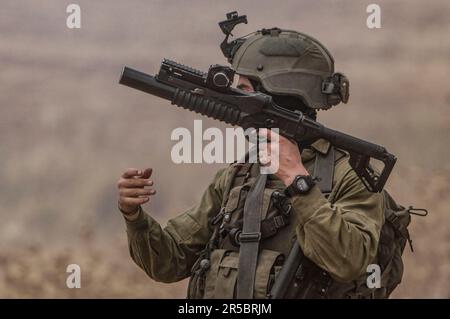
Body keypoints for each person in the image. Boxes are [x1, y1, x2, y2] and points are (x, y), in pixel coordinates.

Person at [116, 28, 386, 299]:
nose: (235, 96)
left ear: (278, 94)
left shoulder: (349, 176)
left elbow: (349, 261)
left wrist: (298, 182)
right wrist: (134, 217)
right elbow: (171, 261)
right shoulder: (239, 175)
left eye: (243, 90)